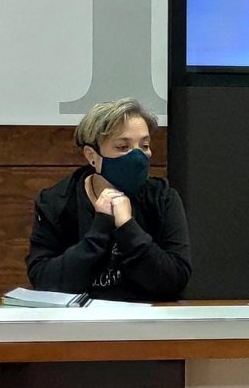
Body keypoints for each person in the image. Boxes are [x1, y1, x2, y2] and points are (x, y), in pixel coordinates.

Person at [25, 98, 191, 301]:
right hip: (79, 318)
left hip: (147, 317)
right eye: (123, 147)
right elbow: (42, 280)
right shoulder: (56, 202)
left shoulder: (163, 198)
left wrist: (128, 229)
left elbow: (175, 280)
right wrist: (99, 231)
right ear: (92, 156)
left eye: (144, 145)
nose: (137, 156)